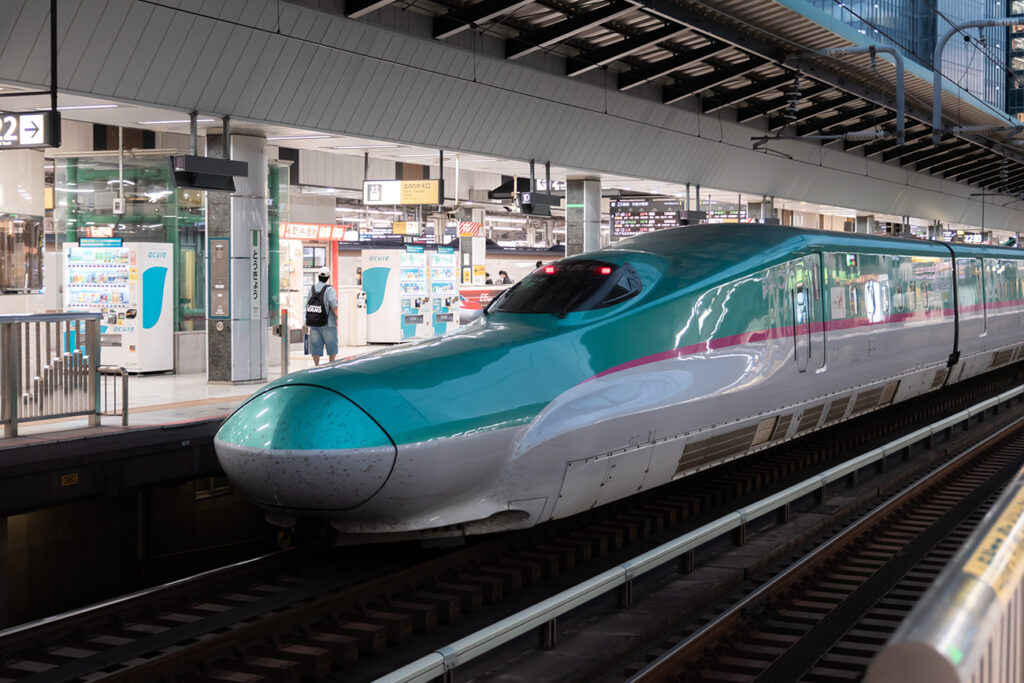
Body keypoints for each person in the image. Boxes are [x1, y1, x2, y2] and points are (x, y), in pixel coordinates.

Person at [306, 266, 339, 366]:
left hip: (314, 323)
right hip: (328, 323)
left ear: (318, 276)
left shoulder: (311, 289)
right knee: (331, 345)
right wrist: (337, 317)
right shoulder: (330, 289)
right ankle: (331, 365)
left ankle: (316, 365)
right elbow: (334, 305)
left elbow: (308, 304)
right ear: (328, 277)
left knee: (315, 346)